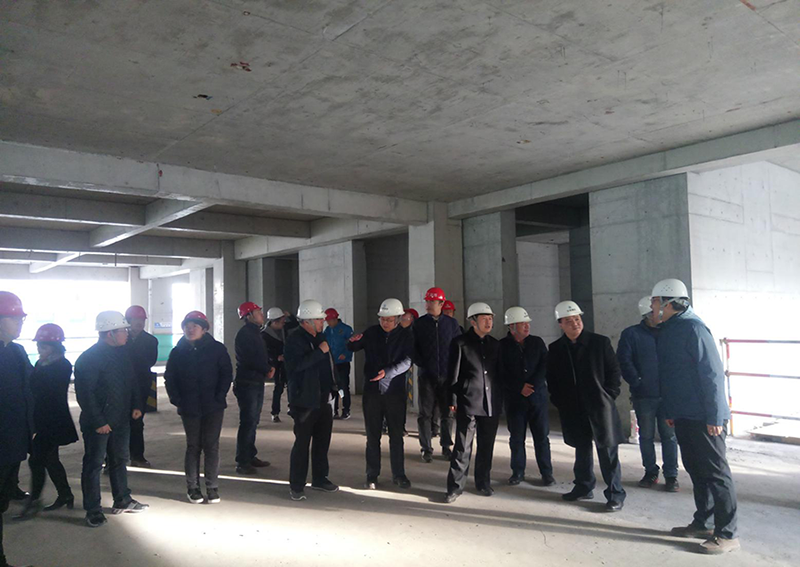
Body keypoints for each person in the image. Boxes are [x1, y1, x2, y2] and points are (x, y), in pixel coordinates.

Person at [651, 279, 740, 555]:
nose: (652, 307)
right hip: (684, 414)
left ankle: (727, 534)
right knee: (697, 470)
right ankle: (704, 522)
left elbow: (712, 374)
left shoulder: (694, 328)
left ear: (668, 302)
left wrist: (715, 415)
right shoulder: (670, 329)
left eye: (655, 301)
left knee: (716, 473)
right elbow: (671, 375)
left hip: (704, 417)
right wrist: (671, 410)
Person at [546, 301, 626, 512]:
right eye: (569, 321)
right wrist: (560, 402)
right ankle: (583, 487)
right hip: (574, 408)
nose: (575, 323)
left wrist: (609, 395)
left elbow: (614, 372)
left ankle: (615, 494)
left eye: (577, 319)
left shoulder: (600, 343)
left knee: (608, 453)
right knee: (581, 450)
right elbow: (552, 379)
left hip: (600, 406)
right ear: (560, 324)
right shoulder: (556, 349)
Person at [75, 310, 148, 528]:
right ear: (110, 333)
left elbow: (132, 381)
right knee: (94, 465)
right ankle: (93, 510)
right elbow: (85, 394)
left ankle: (122, 499)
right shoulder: (89, 359)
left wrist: (136, 404)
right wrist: (98, 421)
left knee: (119, 460)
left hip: (120, 419)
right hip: (98, 424)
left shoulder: (122, 353)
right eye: (123, 330)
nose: (127, 333)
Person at [165, 311, 232, 505]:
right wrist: (177, 399)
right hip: (189, 406)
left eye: (194, 326)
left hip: (213, 406)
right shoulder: (177, 352)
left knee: (211, 445)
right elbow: (170, 377)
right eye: (187, 326)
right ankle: (193, 487)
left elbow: (226, 373)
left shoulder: (217, 349)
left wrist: (219, 395)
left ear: (204, 329)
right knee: (193, 446)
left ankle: (212, 487)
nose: (190, 329)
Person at [347, 298, 414, 490]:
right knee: (373, 435)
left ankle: (399, 474)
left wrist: (389, 372)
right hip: (372, 392)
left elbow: (408, 361)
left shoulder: (406, 336)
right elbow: (353, 347)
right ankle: (372, 474)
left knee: (396, 436)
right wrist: (351, 342)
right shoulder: (371, 333)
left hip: (395, 392)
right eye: (383, 319)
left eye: (389, 319)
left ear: (398, 319)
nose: (385, 323)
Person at [14, 324, 78, 520]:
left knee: (36, 460)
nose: (39, 350)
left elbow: (46, 390)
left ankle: (34, 502)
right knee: (51, 460)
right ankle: (65, 494)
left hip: (53, 421)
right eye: (38, 346)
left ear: (55, 347)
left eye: (43, 346)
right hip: (42, 419)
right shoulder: (41, 364)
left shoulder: (62, 365)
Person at [617, 296, 679, 492]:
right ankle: (650, 472)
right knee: (646, 436)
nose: (660, 315)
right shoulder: (631, 334)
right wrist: (637, 382)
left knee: (669, 436)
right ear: (646, 314)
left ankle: (671, 475)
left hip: (668, 396)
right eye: (655, 312)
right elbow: (624, 361)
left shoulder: (671, 332)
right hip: (644, 396)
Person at [444, 303, 502, 503]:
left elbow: (500, 375)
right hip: (468, 401)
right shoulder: (460, 343)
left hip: (491, 403)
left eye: (490, 318)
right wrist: (452, 399)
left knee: (486, 446)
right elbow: (452, 374)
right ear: (473, 321)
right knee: (462, 447)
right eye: (484, 318)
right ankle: (455, 487)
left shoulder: (495, 344)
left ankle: (483, 482)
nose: (489, 322)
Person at [284, 300, 340, 501]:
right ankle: (297, 485)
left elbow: (328, 364)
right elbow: (296, 367)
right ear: (307, 321)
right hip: (304, 401)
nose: (322, 322)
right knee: (302, 443)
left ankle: (320, 478)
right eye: (319, 319)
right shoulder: (295, 340)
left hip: (324, 398)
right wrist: (319, 352)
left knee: (322, 442)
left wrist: (335, 387)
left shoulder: (320, 337)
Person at [498, 307, 554, 487]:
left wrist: (533, 386)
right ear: (511, 326)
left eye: (527, 323)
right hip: (515, 400)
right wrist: (519, 387)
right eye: (522, 323)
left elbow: (545, 365)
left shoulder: (537, 342)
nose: (527, 326)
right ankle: (518, 472)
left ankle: (546, 473)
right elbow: (500, 372)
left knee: (542, 437)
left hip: (537, 398)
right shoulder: (501, 346)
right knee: (516, 438)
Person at [0, 291, 34, 567]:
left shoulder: (17, 351)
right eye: (14, 318)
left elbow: (30, 388)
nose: (20, 323)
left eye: (21, 318)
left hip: (13, 443)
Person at [413, 287, 461, 462]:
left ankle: (446, 446)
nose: (428, 304)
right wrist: (423, 363)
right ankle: (426, 448)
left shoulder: (452, 324)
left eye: (432, 301)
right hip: (426, 376)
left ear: (441, 303)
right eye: (427, 301)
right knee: (425, 414)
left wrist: (454, 369)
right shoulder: (419, 324)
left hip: (447, 377)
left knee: (447, 413)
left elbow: (458, 348)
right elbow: (412, 347)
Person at [233, 301, 275, 475]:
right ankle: (242, 461)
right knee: (248, 422)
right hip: (247, 383)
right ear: (249, 315)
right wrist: (267, 369)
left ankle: (250, 455)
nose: (261, 314)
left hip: (255, 381)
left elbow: (261, 355)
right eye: (258, 312)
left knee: (253, 421)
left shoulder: (255, 333)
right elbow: (250, 359)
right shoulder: (245, 335)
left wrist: (269, 365)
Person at [124, 305, 158, 468]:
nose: (139, 323)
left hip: (141, 385)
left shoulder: (151, 341)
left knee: (137, 421)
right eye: (136, 320)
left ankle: (137, 456)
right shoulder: (120, 339)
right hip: (121, 385)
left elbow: (149, 362)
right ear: (128, 321)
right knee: (117, 422)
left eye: (141, 320)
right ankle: (113, 459)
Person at [263, 307, 298, 423]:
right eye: (282, 321)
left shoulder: (283, 328)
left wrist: (290, 315)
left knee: (291, 385)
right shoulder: (264, 335)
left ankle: (291, 407)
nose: (284, 323)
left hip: (287, 362)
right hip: (276, 364)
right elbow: (264, 351)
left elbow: (295, 324)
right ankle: (275, 412)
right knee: (278, 388)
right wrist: (276, 357)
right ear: (274, 322)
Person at [323, 308, 353, 419]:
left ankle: (346, 410)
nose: (328, 323)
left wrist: (346, 354)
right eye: (327, 321)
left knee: (343, 387)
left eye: (329, 320)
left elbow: (352, 344)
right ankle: (333, 410)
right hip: (331, 363)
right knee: (332, 387)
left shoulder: (346, 329)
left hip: (343, 363)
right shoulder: (327, 330)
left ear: (335, 319)